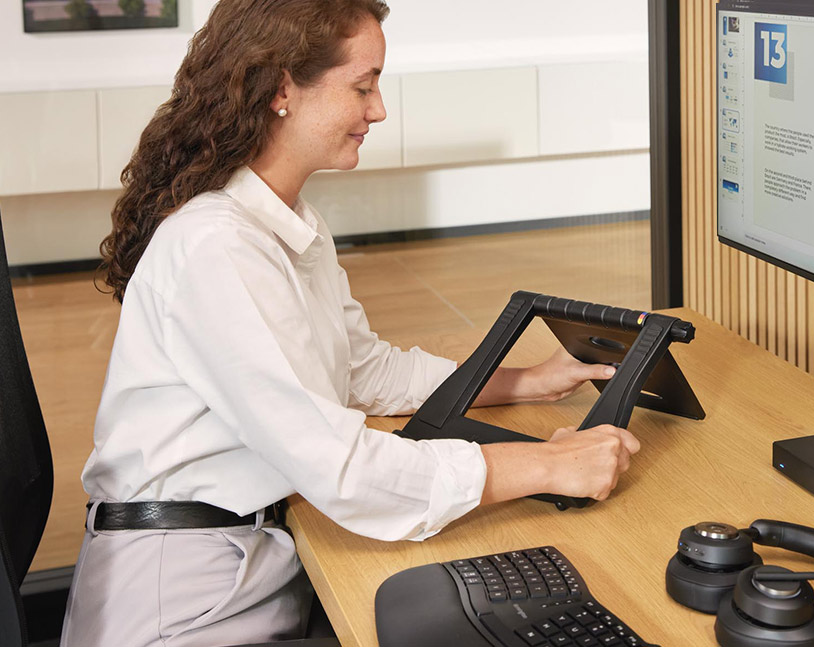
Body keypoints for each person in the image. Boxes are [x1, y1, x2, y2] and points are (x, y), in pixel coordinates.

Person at [60, 1, 640, 645]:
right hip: (185, 595)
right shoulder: (216, 247)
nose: (378, 110)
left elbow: (362, 368)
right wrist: (545, 465)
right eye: (362, 86)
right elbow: (341, 468)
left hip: (252, 558)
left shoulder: (286, 222)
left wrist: (524, 381)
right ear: (282, 89)